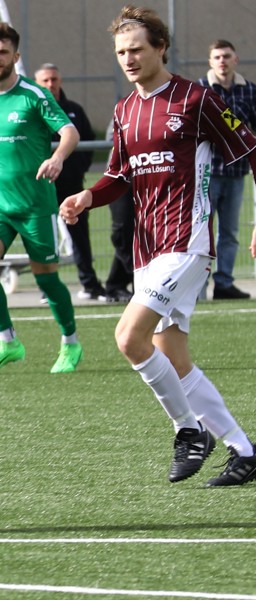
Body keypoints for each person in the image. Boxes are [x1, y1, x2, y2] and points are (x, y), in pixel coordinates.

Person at [61, 5, 256, 487]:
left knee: (129, 339)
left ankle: (188, 431)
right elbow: (118, 175)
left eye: (137, 50)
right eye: (121, 52)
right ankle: (245, 451)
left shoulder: (196, 99)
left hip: (187, 244)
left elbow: (252, 149)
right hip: (147, 251)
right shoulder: (125, 110)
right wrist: (89, 195)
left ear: (161, 48)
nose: (128, 59)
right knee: (173, 358)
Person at [0, 23, 82, 375]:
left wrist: (57, 158)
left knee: (46, 279)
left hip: (35, 205)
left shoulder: (34, 95)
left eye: (3, 52)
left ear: (16, 57)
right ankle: (8, 342)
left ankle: (70, 342)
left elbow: (70, 131)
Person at [33, 63, 102, 301]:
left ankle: (90, 283)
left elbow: (88, 139)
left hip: (72, 184)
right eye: (45, 81)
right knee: (45, 237)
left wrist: (79, 167)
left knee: (80, 235)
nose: (50, 84)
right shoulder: (33, 111)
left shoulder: (73, 109)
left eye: (53, 79)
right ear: (37, 83)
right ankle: (48, 288)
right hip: (42, 186)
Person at [198, 40, 256, 300]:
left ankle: (224, 283)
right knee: (201, 232)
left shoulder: (250, 91)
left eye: (226, 56)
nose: (222, 61)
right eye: (217, 57)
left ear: (236, 59)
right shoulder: (200, 89)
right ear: (210, 61)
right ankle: (198, 285)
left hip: (236, 173)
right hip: (206, 174)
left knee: (230, 232)